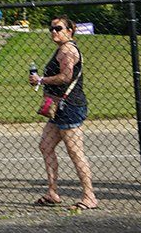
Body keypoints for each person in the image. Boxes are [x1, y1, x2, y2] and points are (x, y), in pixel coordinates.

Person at [29, 16, 98, 211]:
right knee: (45, 146)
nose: (53, 32)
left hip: (69, 107)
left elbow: (66, 77)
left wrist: (41, 80)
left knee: (75, 153)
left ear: (70, 30)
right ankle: (52, 192)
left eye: (58, 28)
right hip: (59, 109)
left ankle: (89, 196)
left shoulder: (68, 50)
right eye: (51, 28)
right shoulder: (61, 49)